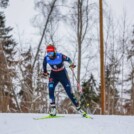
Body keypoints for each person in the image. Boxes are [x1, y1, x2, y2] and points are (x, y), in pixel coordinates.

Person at [43, 44, 87, 117]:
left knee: (69, 92)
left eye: (51, 53)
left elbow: (68, 59)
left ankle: (79, 109)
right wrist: (44, 72)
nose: (49, 55)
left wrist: (71, 64)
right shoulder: (46, 58)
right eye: (48, 53)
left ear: (54, 51)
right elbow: (44, 64)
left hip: (62, 74)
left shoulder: (60, 56)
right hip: (53, 75)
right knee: (50, 89)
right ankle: (53, 110)